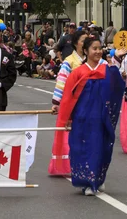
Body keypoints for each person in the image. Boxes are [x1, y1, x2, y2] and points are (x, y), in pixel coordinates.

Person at [56, 37, 126, 196]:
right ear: (85, 51)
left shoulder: (105, 70)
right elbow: (68, 97)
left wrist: (116, 59)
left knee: (100, 148)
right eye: (94, 48)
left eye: (100, 48)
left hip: (101, 118)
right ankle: (87, 182)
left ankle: (97, 179)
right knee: (81, 149)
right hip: (82, 118)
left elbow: (116, 85)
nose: (98, 51)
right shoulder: (77, 73)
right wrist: (66, 118)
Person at [48, 30, 88, 175]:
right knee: (70, 133)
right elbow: (61, 81)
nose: (86, 44)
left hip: (89, 102)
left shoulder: (93, 61)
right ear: (76, 43)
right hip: (73, 102)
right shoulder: (69, 61)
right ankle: (67, 164)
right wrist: (56, 102)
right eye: (83, 41)